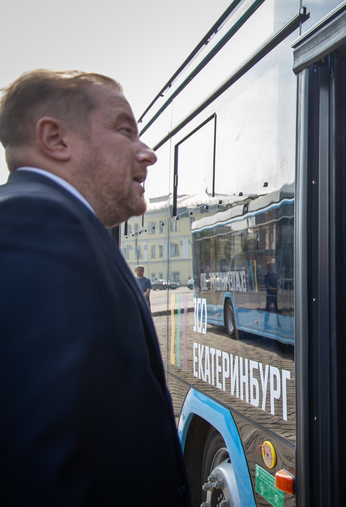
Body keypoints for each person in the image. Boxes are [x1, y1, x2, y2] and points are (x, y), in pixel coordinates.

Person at [0, 70, 191, 506]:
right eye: (126, 130)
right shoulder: (37, 225)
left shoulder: (56, 223)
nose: (149, 154)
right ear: (56, 139)